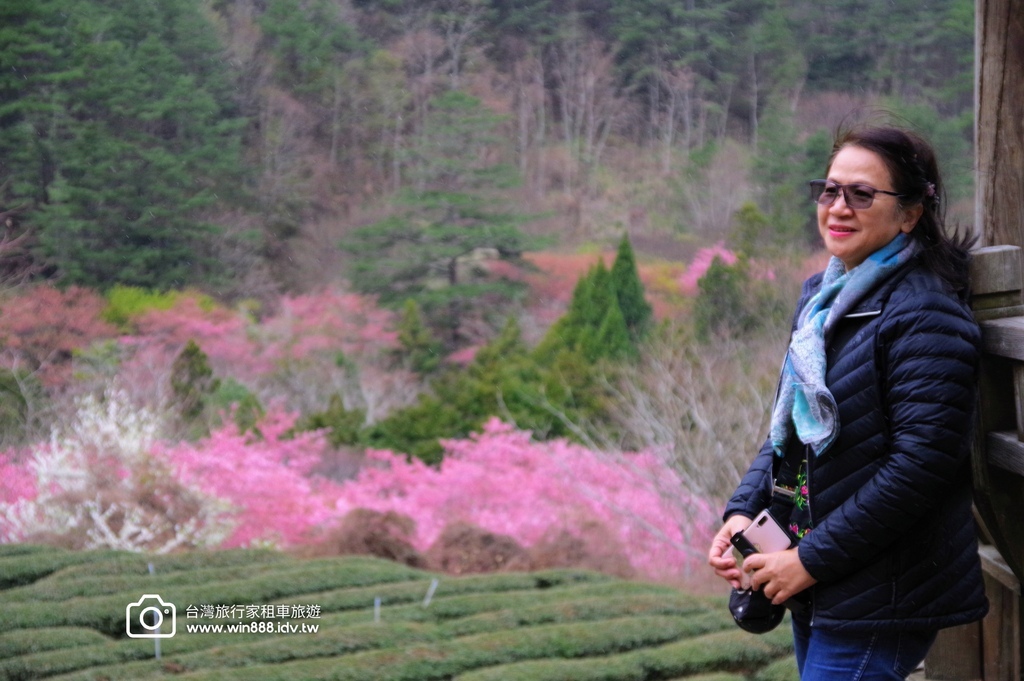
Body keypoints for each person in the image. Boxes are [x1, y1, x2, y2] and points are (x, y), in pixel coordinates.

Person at [707, 125, 988, 680]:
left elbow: (923, 466)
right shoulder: (823, 299)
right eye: (829, 190)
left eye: (862, 194)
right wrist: (743, 510)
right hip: (823, 577)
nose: (838, 207)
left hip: (879, 591)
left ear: (909, 214)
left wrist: (808, 561)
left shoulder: (926, 314)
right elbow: (788, 429)